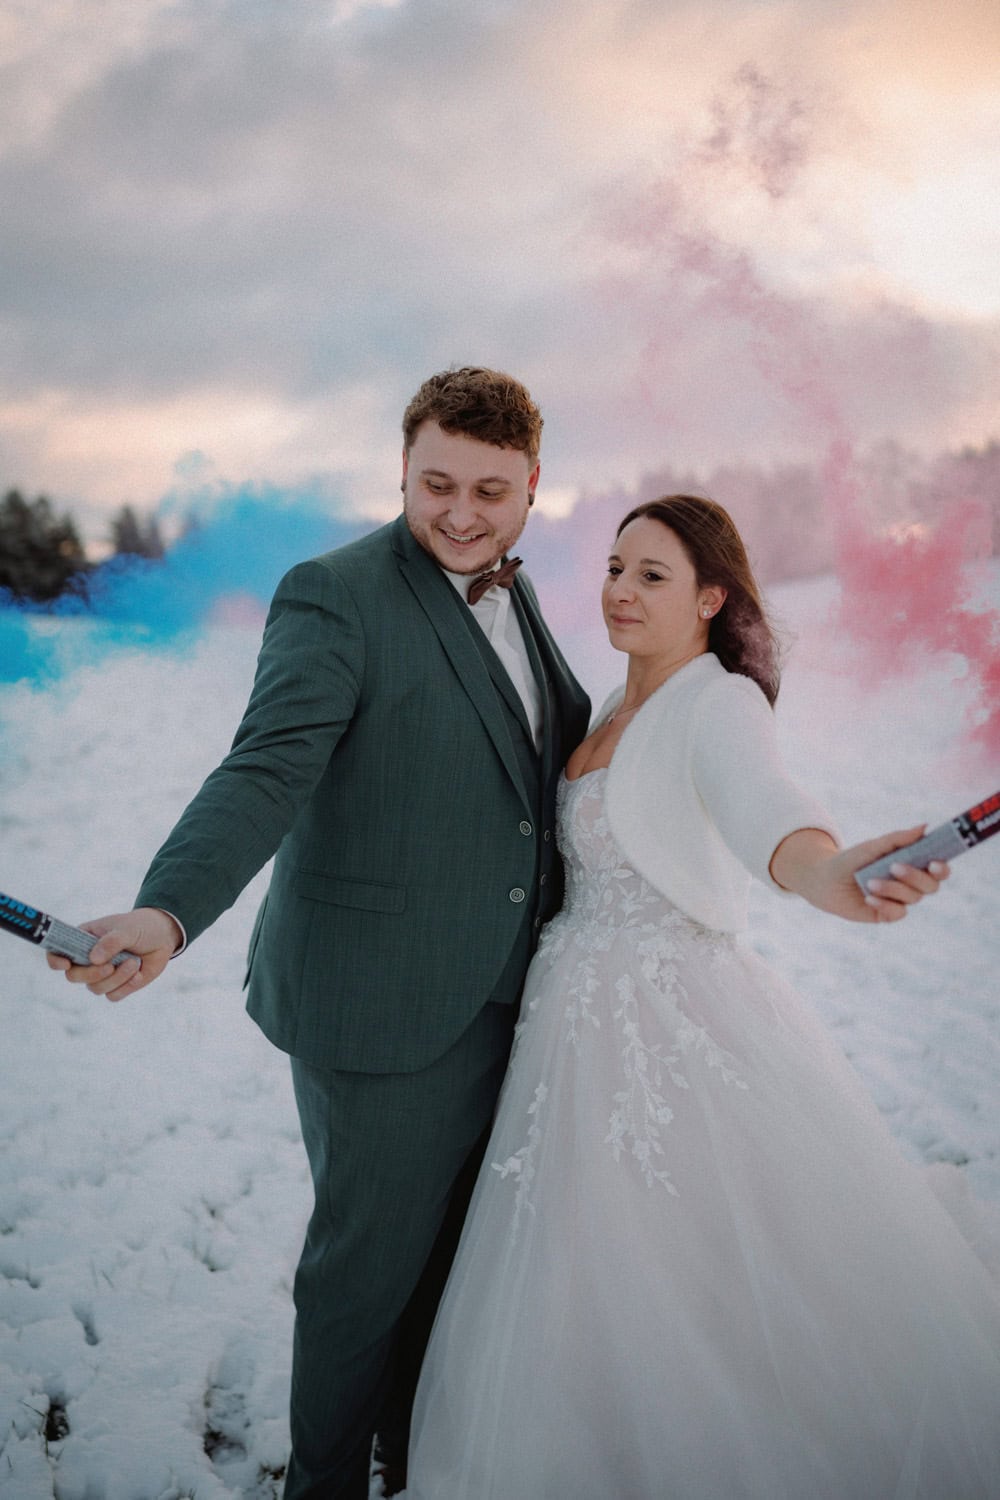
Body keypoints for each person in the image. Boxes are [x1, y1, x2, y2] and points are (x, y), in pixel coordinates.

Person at [46, 367, 592, 1500]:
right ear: (400, 470)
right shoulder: (333, 593)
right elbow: (266, 767)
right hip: (378, 999)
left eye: (489, 491)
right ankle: (329, 1483)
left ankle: (412, 1459)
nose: (458, 512)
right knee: (364, 1276)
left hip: (510, 989)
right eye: (435, 483)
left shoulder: (517, 590)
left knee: (452, 1260)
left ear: (533, 486)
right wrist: (169, 907)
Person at [406, 495, 1000, 1499]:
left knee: (700, 1266)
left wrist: (827, 872)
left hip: (666, 1014)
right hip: (570, 1014)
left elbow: (769, 809)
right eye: (612, 567)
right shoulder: (607, 706)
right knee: (579, 1270)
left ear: (710, 597)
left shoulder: (715, 700)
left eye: (652, 575)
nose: (619, 591)